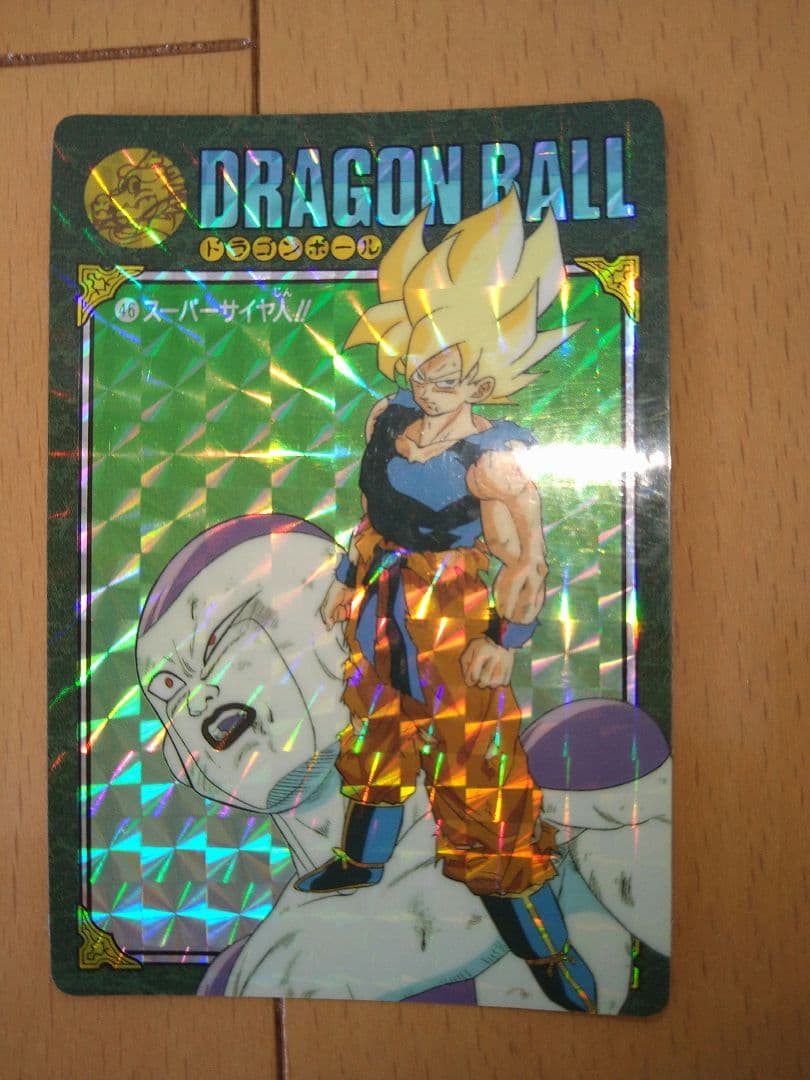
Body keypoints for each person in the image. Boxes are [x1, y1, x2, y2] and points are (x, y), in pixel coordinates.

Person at [136, 513, 671, 1007]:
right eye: (167, 686)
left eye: (223, 637)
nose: (195, 700)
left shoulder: (580, 776)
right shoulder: (246, 974)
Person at [294, 192, 597, 1012]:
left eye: (451, 373)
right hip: (385, 604)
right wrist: (348, 578)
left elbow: (526, 557)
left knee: (479, 776)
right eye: (423, 365)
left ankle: (545, 951)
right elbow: (374, 515)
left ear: (484, 376)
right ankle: (361, 861)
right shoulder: (386, 417)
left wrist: (508, 635)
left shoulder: (492, 459)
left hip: (456, 617)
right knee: (375, 731)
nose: (430, 384)